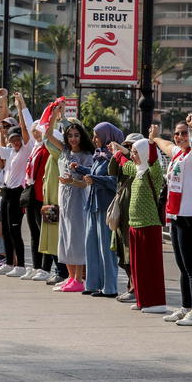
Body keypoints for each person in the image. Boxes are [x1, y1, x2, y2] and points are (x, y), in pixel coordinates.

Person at [150, 116, 192, 324]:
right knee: (182, 266)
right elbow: (167, 146)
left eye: (184, 133)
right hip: (176, 216)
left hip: (191, 217)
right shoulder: (179, 155)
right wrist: (155, 138)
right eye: (177, 133)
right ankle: (186, 307)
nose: (179, 137)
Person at [113, 137, 167, 314]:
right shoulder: (137, 170)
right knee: (137, 266)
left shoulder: (153, 172)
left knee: (151, 266)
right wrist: (118, 150)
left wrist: (151, 143)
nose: (133, 156)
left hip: (149, 225)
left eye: (136, 153)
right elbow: (124, 162)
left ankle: (156, 302)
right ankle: (142, 299)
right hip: (134, 224)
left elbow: (152, 160)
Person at [45, 107, 94, 292]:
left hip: (77, 201)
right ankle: (70, 277)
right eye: (70, 135)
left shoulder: (87, 156)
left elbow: (87, 183)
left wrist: (72, 180)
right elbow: (48, 134)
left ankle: (79, 279)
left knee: (76, 238)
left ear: (82, 137)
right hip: (64, 200)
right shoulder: (64, 151)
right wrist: (55, 115)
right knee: (65, 238)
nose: (73, 139)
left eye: (76, 135)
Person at [75, 121, 124, 297]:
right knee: (91, 245)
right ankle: (93, 284)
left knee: (106, 248)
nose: (94, 139)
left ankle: (109, 287)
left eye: (97, 136)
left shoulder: (113, 156)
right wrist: (80, 170)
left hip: (105, 205)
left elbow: (115, 181)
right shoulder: (99, 155)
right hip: (93, 204)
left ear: (106, 136)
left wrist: (94, 179)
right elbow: (94, 174)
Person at [0, 93, 32, 277]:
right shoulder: (10, 152)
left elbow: (25, 127)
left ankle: (21, 265)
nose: (16, 142)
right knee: (7, 230)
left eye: (18, 139)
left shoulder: (25, 149)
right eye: (13, 140)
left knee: (16, 230)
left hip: (18, 192)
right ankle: (10, 262)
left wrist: (19, 106)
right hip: (6, 193)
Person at [109, 133, 144, 302]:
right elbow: (112, 171)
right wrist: (117, 155)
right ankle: (131, 285)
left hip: (135, 213)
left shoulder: (143, 165)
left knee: (132, 252)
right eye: (128, 147)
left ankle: (135, 288)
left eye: (134, 147)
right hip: (122, 209)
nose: (131, 151)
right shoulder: (126, 161)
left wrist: (123, 153)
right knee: (123, 251)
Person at [24, 121, 53, 281]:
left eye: (38, 130)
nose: (35, 132)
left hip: (43, 196)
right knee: (34, 233)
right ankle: (36, 266)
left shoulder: (47, 149)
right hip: (32, 194)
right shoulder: (35, 148)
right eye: (33, 130)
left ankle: (46, 268)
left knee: (45, 232)